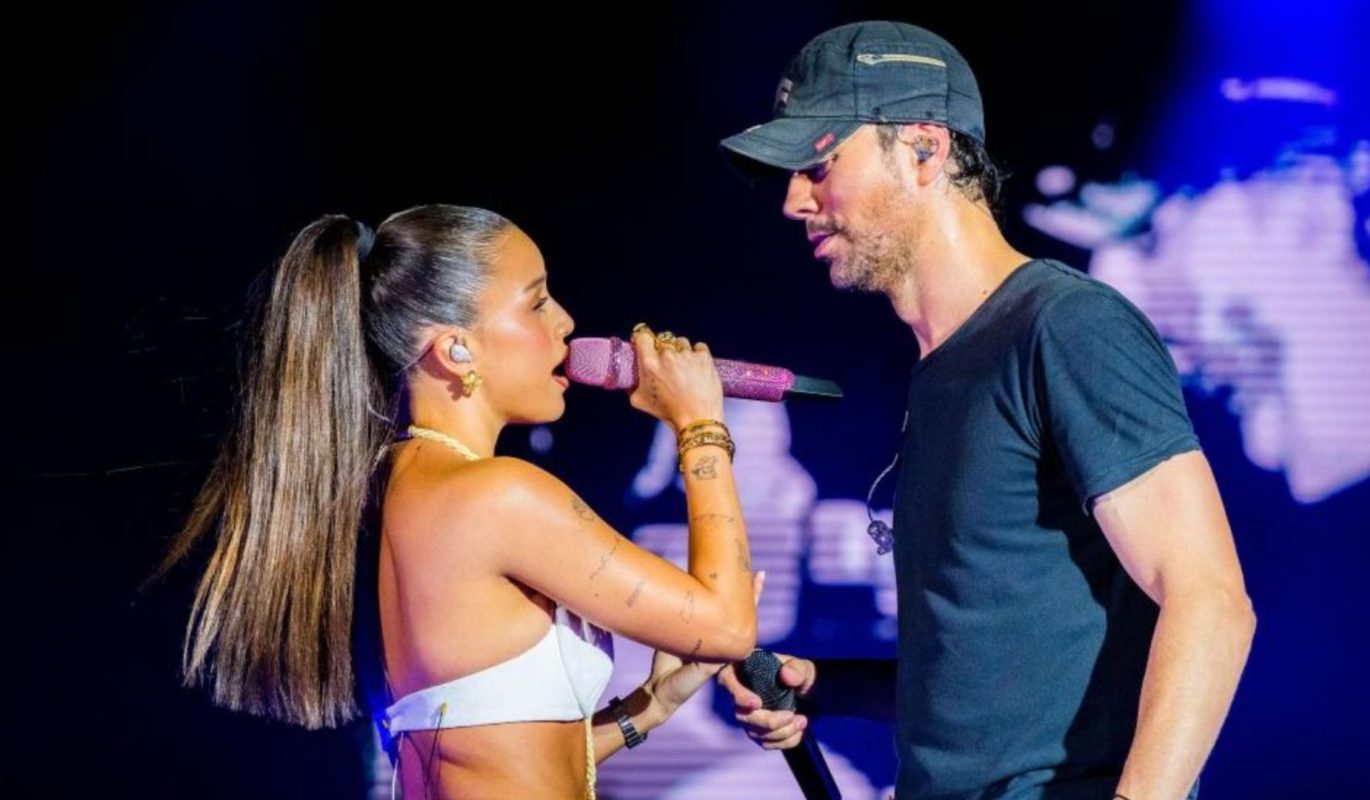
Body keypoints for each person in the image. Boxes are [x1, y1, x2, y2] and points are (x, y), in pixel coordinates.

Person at [716, 21, 1255, 799]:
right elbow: (996, 685)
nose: (795, 201)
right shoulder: (943, 370)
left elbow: (1211, 602)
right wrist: (825, 688)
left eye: (821, 163)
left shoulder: (1066, 327)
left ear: (924, 149)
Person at [160, 204, 761, 799]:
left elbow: (490, 755)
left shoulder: (395, 490)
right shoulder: (497, 496)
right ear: (456, 350)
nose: (566, 322)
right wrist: (699, 422)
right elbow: (727, 626)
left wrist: (647, 709)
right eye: (536, 303)